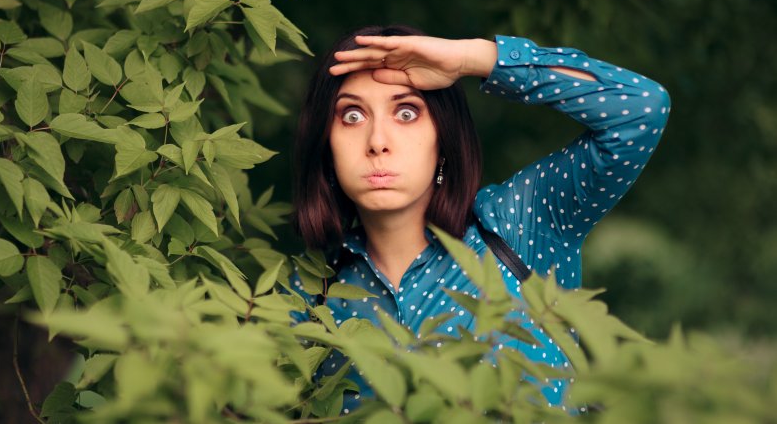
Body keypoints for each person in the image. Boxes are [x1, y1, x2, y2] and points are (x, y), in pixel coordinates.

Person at [287, 25, 670, 414]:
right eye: (352, 115)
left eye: (406, 112)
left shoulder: (519, 226)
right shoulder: (311, 291)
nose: (377, 141)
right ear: (326, 144)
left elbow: (640, 109)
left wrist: (474, 60)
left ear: (444, 139)